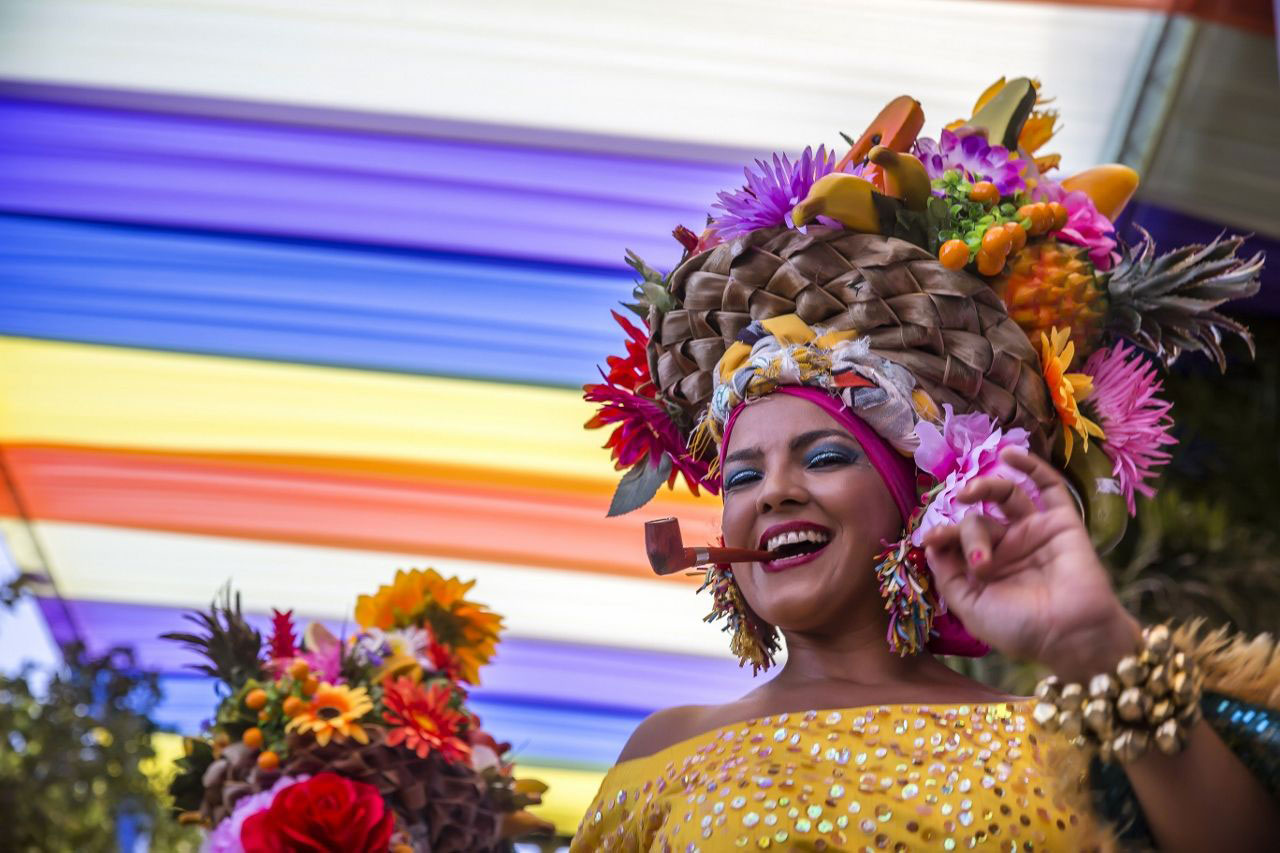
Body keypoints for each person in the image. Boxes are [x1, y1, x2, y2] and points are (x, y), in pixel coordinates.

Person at [575, 78, 1277, 851]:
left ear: (920, 497)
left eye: (827, 455)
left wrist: (1095, 644)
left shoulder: (1059, 741)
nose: (773, 491)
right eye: (742, 474)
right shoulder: (661, 753)